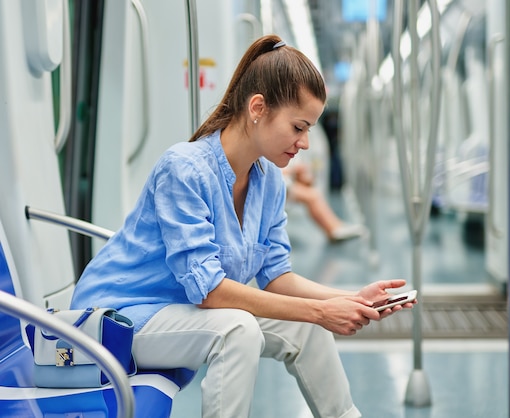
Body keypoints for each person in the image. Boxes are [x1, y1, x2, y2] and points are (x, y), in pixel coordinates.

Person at [70, 35, 415, 418]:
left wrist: (349, 300)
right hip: (115, 319)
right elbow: (209, 292)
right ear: (257, 108)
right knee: (239, 329)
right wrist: (319, 310)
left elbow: (277, 276)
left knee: (306, 324)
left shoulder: (267, 182)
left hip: (178, 313)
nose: (304, 143)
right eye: (298, 127)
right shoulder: (183, 169)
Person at [282, 161, 367, 242]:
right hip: (279, 183)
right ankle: (333, 229)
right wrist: (292, 170)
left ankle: (335, 225)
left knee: (311, 190)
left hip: (282, 181)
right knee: (312, 196)